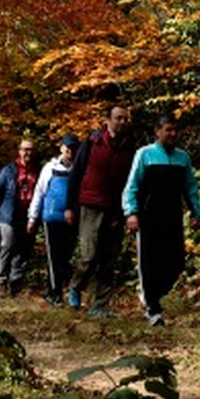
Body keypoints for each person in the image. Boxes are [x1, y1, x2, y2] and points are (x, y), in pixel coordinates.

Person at [123, 116, 200, 326]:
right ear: (158, 131)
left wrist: (196, 213)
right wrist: (131, 213)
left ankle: (154, 295)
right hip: (148, 219)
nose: (172, 134)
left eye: (175, 130)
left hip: (173, 218)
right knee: (149, 264)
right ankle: (153, 309)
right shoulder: (145, 155)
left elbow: (190, 187)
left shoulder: (182, 158)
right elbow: (132, 186)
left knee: (176, 263)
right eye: (168, 130)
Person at [66, 105, 136, 317]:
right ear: (108, 120)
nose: (122, 122)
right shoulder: (92, 143)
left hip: (115, 207)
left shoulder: (130, 147)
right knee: (89, 255)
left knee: (109, 258)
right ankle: (75, 286)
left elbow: (133, 180)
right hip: (90, 205)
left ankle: (100, 304)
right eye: (118, 118)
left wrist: (130, 209)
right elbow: (76, 174)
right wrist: (70, 206)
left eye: (125, 118)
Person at [29, 135, 79, 307]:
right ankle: (55, 294)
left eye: (73, 148)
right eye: (67, 148)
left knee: (65, 258)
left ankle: (51, 291)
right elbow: (39, 192)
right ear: (61, 148)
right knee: (54, 257)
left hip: (72, 219)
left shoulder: (79, 168)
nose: (70, 152)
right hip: (51, 218)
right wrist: (32, 217)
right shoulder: (50, 168)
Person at [0, 141, 39, 296]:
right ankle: (0, 283)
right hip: (8, 215)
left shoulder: (38, 170)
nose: (28, 153)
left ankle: (15, 284)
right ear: (19, 151)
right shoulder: (9, 170)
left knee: (23, 251)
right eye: (25, 150)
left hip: (29, 216)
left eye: (30, 150)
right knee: (8, 245)